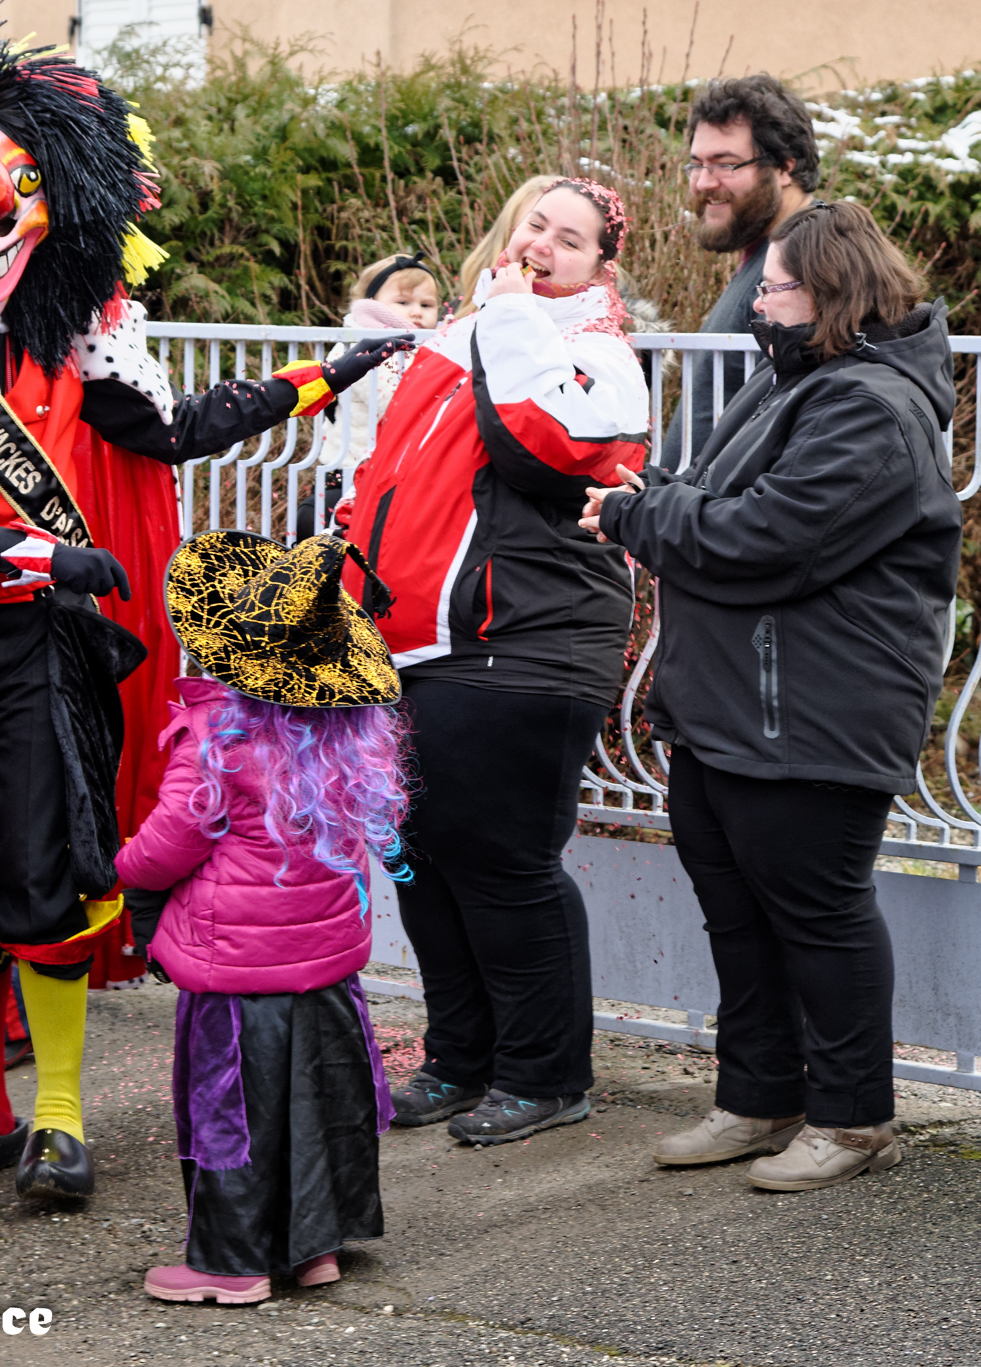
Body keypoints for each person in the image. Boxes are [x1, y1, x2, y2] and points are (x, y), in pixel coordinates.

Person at [0, 16, 410, 1204]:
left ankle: (58, 1115)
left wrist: (325, 373)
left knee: (41, 868)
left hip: (40, 655)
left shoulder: (79, 345)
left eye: (8, 198)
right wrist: (32, 547)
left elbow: (172, 436)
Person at [580, 201, 959, 1191]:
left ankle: (850, 1116)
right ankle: (756, 1095)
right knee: (736, 911)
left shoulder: (868, 405)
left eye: (776, 284)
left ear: (831, 291)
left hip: (814, 712)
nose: (759, 299)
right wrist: (655, 499)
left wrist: (639, 513)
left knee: (815, 912)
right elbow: (711, 498)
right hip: (734, 706)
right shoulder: (794, 380)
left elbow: (764, 537)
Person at [338, 179, 649, 1146]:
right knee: (423, 860)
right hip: (422, 642)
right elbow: (382, 482)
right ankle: (458, 1058)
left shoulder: (598, 349)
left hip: (528, 639)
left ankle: (547, 1072)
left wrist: (513, 319)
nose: (545, 244)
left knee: (505, 862)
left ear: (603, 266)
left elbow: (544, 448)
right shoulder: (460, 336)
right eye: (535, 227)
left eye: (573, 238)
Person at [118, 531, 406, 1304]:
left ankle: (231, 1263)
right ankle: (315, 1247)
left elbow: (170, 842)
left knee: (232, 1110)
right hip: (325, 965)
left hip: (237, 969)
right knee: (318, 1104)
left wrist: (120, 870)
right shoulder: (349, 737)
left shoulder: (219, 736)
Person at [654, 76, 818, 472]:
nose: (704, 182)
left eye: (725, 164)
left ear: (784, 167)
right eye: (696, 164)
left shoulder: (810, 261)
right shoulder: (768, 254)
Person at [301, 252, 444, 539]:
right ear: (371, 306)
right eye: (403, 303)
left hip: (395, 474)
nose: (417, 312)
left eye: (426, 305)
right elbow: (394, 403)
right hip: (348, 474)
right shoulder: (360, 350)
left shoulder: (425, 350)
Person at [454, 176, 561, 314]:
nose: (541, 245)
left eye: (568, 241)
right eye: (536, 225)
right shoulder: (456, 314)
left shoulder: (585, 329)